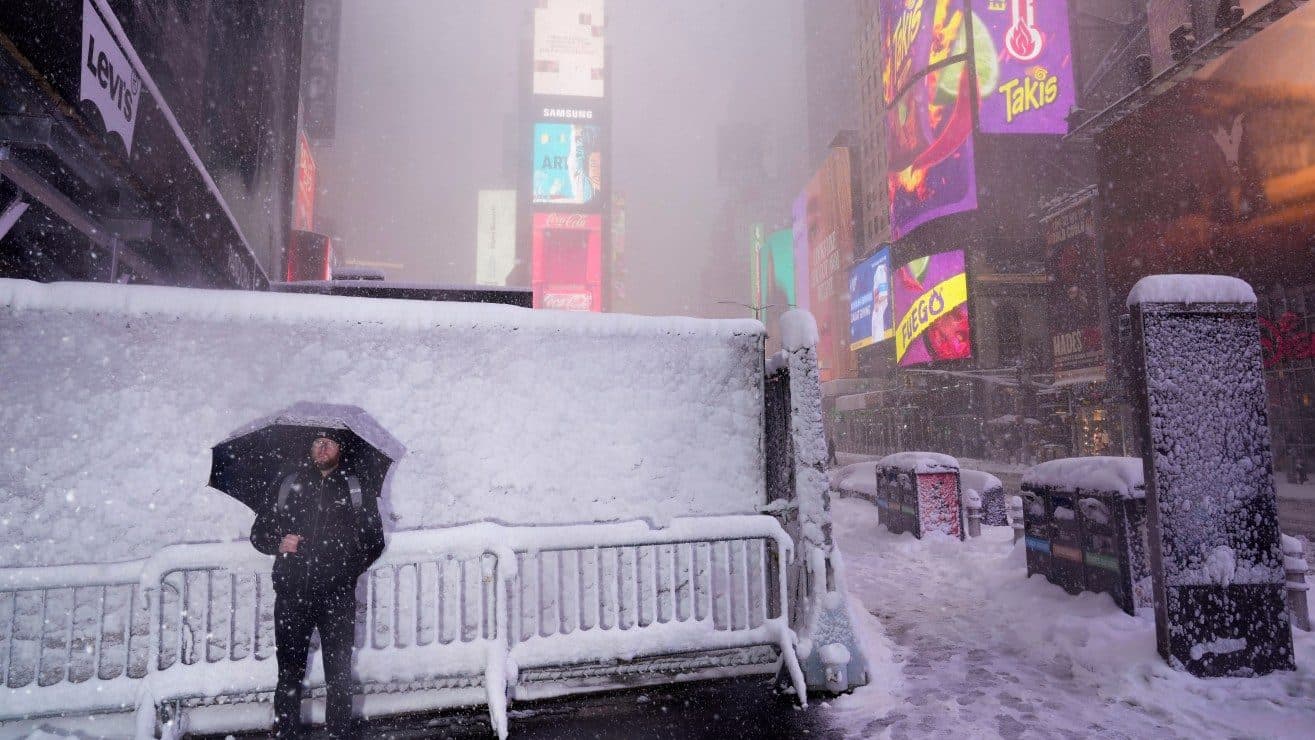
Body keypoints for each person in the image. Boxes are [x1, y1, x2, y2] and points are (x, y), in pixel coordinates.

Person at [250, 430, 386, 739]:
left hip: (337, 598)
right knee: (289, 675)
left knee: (338, 677)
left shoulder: (354, 487)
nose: (322, 448)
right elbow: (258, 533)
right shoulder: (288, 483)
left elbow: (374, 541)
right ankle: (286, 734)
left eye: (329, 443)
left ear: (340, 449)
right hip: (292, 595)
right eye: (317, 442)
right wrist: (279, 542)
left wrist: (345, 567)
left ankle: (338, 734)